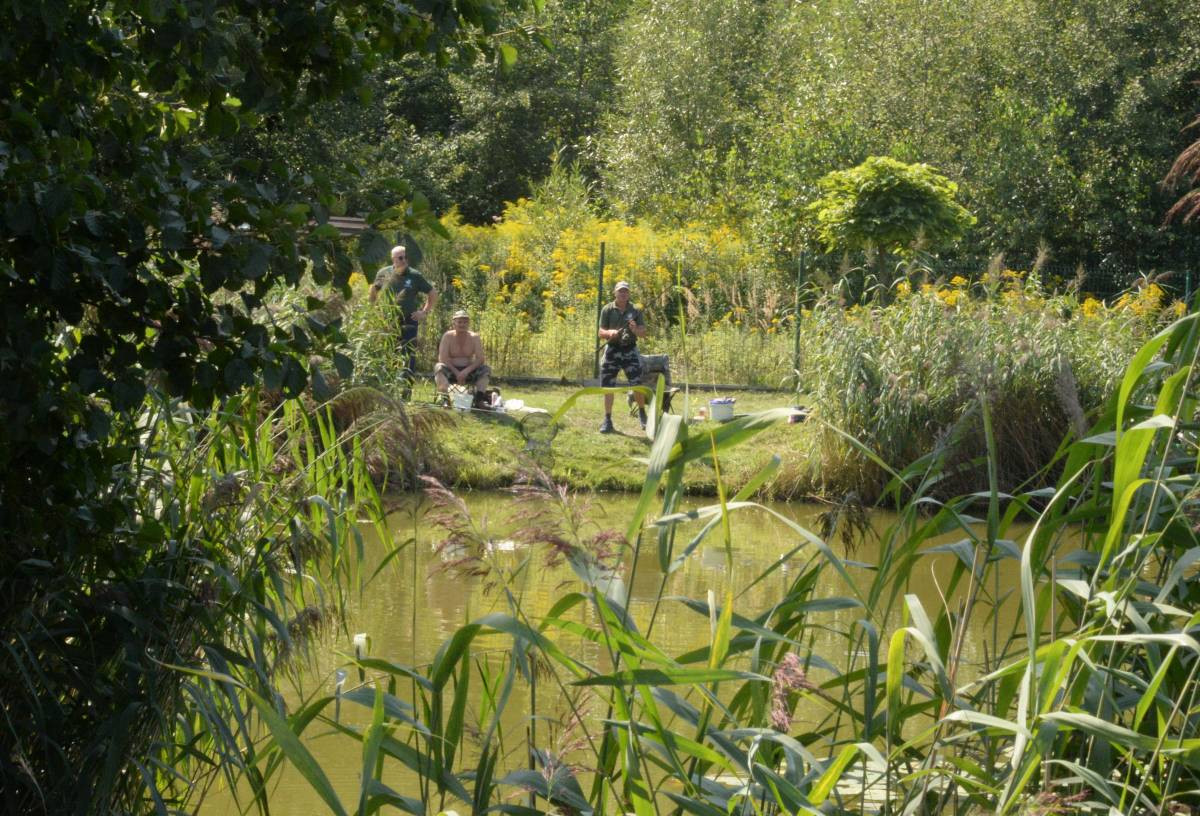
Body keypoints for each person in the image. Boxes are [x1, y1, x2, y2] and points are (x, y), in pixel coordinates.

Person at [368, 245, 437, 394]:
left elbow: (432, 293)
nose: (404, 260)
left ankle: (406, 391)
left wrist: (423, 312)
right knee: (388, 353)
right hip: (387, 320)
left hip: (409, 320)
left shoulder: (415, 275)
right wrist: (374, 311)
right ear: (393, 259)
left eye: (406, 257)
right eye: (400, 257)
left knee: (408, 355)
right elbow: (373, 290)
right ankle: (388, 388)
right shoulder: (384, 273)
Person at [597, 280, 647, 433]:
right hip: (612, 350)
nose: (623, 294)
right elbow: (600, 333)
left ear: (629, 294)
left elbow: (643, 333)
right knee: (608, 387)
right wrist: (610, 333)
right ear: (615, 293)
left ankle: (642, 414)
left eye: (626, 291)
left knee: (637, 384)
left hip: (630, 350)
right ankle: (607, 419)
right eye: (620, 291)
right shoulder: (607, 309)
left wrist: (635, 329)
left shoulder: (636, 310)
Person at [434, 309, 491, 401]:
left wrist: (466, 371)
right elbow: (442, 358)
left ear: (468, 324)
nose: (462, 324)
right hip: (451, 370)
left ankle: (479, 400)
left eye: (465, 322)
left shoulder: (474, 337)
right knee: (439, 367)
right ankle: (445, 399)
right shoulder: (447, 336)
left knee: (485, 369)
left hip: (469, 371)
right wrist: (457, 372)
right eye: (459, 322)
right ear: (454, 323)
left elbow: (480, 359)